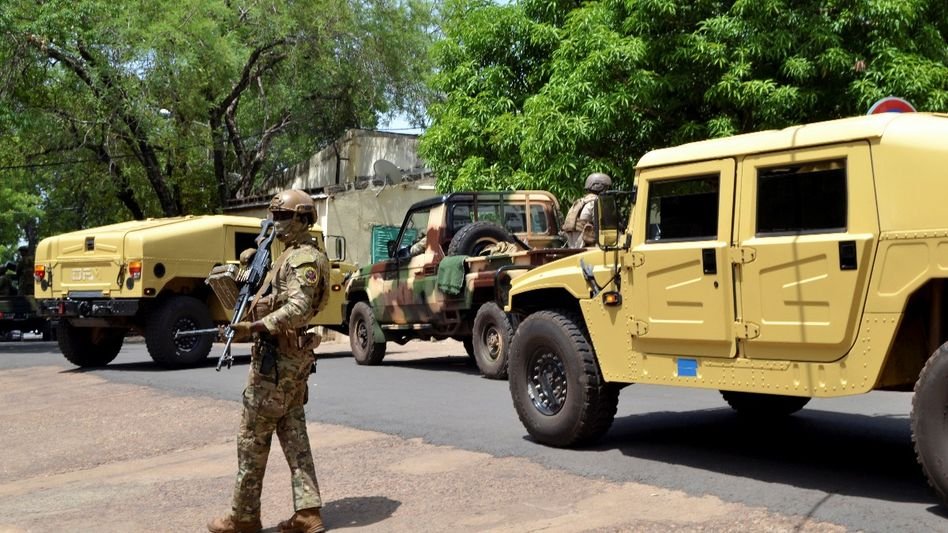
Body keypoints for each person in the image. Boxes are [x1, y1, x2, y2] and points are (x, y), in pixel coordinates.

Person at [208, 189, 331, 533]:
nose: (276, 224)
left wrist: (259, 325)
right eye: (273, 218)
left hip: (277, 362)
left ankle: (243, 518)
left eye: (283, 218)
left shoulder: (302, 259)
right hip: (290, 362)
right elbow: (277, 298)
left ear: (303, 219)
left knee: (251, 438)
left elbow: (298, 308)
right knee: (295, 438)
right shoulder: (291, 255)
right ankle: (308, 513)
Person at [562, 172, 612, 248]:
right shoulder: (595, 202)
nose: (607, 191)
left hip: (572, 246)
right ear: (600, 187)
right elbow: (602, 226)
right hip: (585, 245)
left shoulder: (580, 202)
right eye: (606, 188)